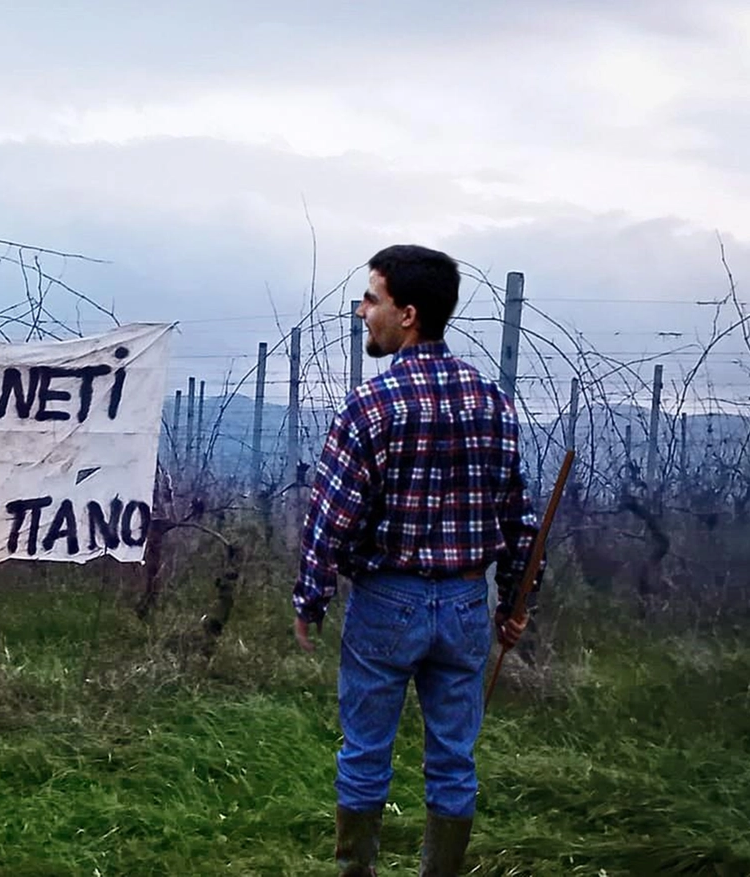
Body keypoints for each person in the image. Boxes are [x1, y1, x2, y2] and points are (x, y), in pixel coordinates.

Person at [291, 244, 543, 876]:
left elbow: (331, 516)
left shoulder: (370, 405)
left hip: (387, 603)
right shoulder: (493, 402)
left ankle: (357, 871)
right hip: (464, 603)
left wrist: (311, 599)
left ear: (407, 314)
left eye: (371, 299)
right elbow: (518, 518)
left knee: (366, 750)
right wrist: (515, 602)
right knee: (455, 758)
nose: (360, 312)